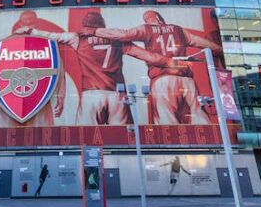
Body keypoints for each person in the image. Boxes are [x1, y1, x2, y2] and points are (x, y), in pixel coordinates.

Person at [16, 11, 171, 125]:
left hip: (90, 94)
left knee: (85, 140)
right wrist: (170, 62)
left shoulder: (77, 38)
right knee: (122, 139)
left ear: (85, 25)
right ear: (102, 25)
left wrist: (31, 31)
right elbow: (148, 56)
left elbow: (52, 36)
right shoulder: (118, 41)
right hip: (117, 95)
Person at [97, 10, 220, 125]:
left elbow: (124, 35)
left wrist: (96, 31)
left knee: (166, 117)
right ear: (159, 18)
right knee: (197, 113)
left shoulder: (146, 29)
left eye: (146, 19)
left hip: (162, 78)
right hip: (186, 78)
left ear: (150, 20)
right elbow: (206, 44)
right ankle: (218, 143)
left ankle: (174, 148)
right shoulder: (178, 30)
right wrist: (224, 51)